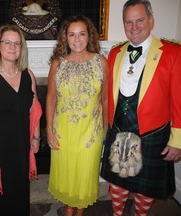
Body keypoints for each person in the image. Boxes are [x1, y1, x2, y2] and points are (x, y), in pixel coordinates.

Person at [100, 0, 181, 215]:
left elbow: (179, 101)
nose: (134, 27)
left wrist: (177, 140)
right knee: (117, 182)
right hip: (118, 129)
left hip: (152, 133)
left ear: (151, 20)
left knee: (145, 189)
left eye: (139, 20)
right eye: (128, 22)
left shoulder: (173, 53)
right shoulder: (115, 53)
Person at [0, 24, 42, 215]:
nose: (12, 47)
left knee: (21, 188)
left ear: (22, 48)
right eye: (7, 42)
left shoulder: (28, 75)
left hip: (22, 142)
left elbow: (34, 109)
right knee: (2, 191)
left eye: (17, 43)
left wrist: (36, 137)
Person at [46, 14, 109, 216]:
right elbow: (50, 98)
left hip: (90, 131)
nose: (77, 39)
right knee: (67, 174)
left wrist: (105, 129)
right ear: (65, 37)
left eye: (82, 34)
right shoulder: (58, 63)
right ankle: (68, 208)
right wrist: (48, 130)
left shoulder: (101, 62)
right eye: (72, 34)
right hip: (62, 130)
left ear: (89, 35)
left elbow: (105, 99)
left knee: (84, 174)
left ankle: (79, 212)